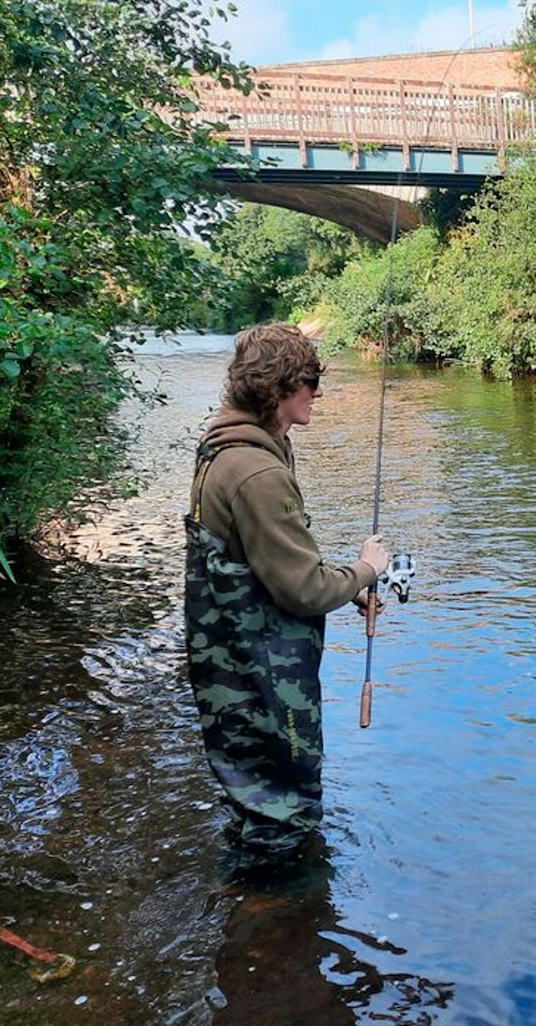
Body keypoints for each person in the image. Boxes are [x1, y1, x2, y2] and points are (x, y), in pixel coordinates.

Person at [185, 322, 390, 861]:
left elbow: (271, 560)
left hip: (232, 665)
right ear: (277, 390)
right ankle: (276, 916)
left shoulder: (228, 447)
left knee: (256, 794)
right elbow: (301, 588)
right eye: (309, 381)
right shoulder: (256, 471)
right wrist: (365, 571)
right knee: (284, 811)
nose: (318, 392)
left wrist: (344, 589)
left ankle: (260, 918)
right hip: (261, 674)